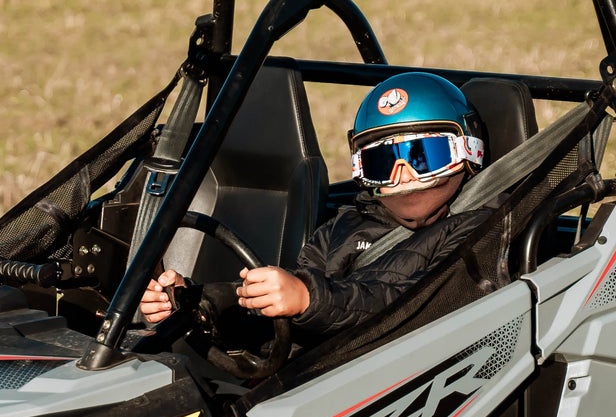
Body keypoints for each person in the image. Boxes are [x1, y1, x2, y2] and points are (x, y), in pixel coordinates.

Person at [140, 72, 488, 339]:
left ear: (467, 150)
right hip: (308, 375)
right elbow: (285, 308)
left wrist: (309, 299)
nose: (403, 175)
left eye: (422, 157)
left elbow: (410, 303)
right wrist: (198, 305)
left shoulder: (479, 226)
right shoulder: (343, 226)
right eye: (383, 162)